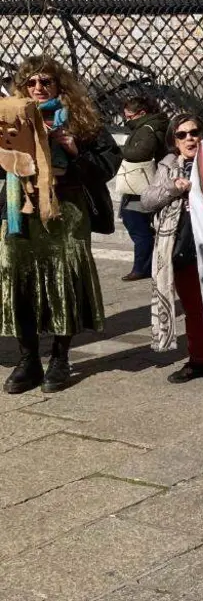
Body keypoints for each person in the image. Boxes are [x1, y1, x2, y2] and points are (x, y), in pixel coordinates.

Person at [2, 56, 121, 395]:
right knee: (16, 277)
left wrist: (71, 148)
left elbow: (108, 163)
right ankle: (28, 361)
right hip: (18, 212)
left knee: (63, 279)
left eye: (46, 82)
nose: (39, 88)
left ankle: (59, 358)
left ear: (59, 86)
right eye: (32, 83)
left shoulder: (79, 122)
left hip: (66, 210)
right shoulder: (10, 117)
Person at [138, 114, 203, 386]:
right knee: (193, 308)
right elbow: (147, 200)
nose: (190, 138)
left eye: (195, 132)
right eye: (182, 135)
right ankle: (198, 361)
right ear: (174, 141)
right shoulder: (168, 165)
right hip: (182, 246)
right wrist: (172, 188)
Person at [117, 96, 169, 282]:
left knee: (137, 226)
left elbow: (142, 153)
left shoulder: (147, 129)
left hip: (141, 185)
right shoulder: (151, 126)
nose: (127, 121)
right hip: (141, 184)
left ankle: (142, 267)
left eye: (129, 117)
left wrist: (120, 152)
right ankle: (146, 264)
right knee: (138, 224)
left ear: (142, 114)